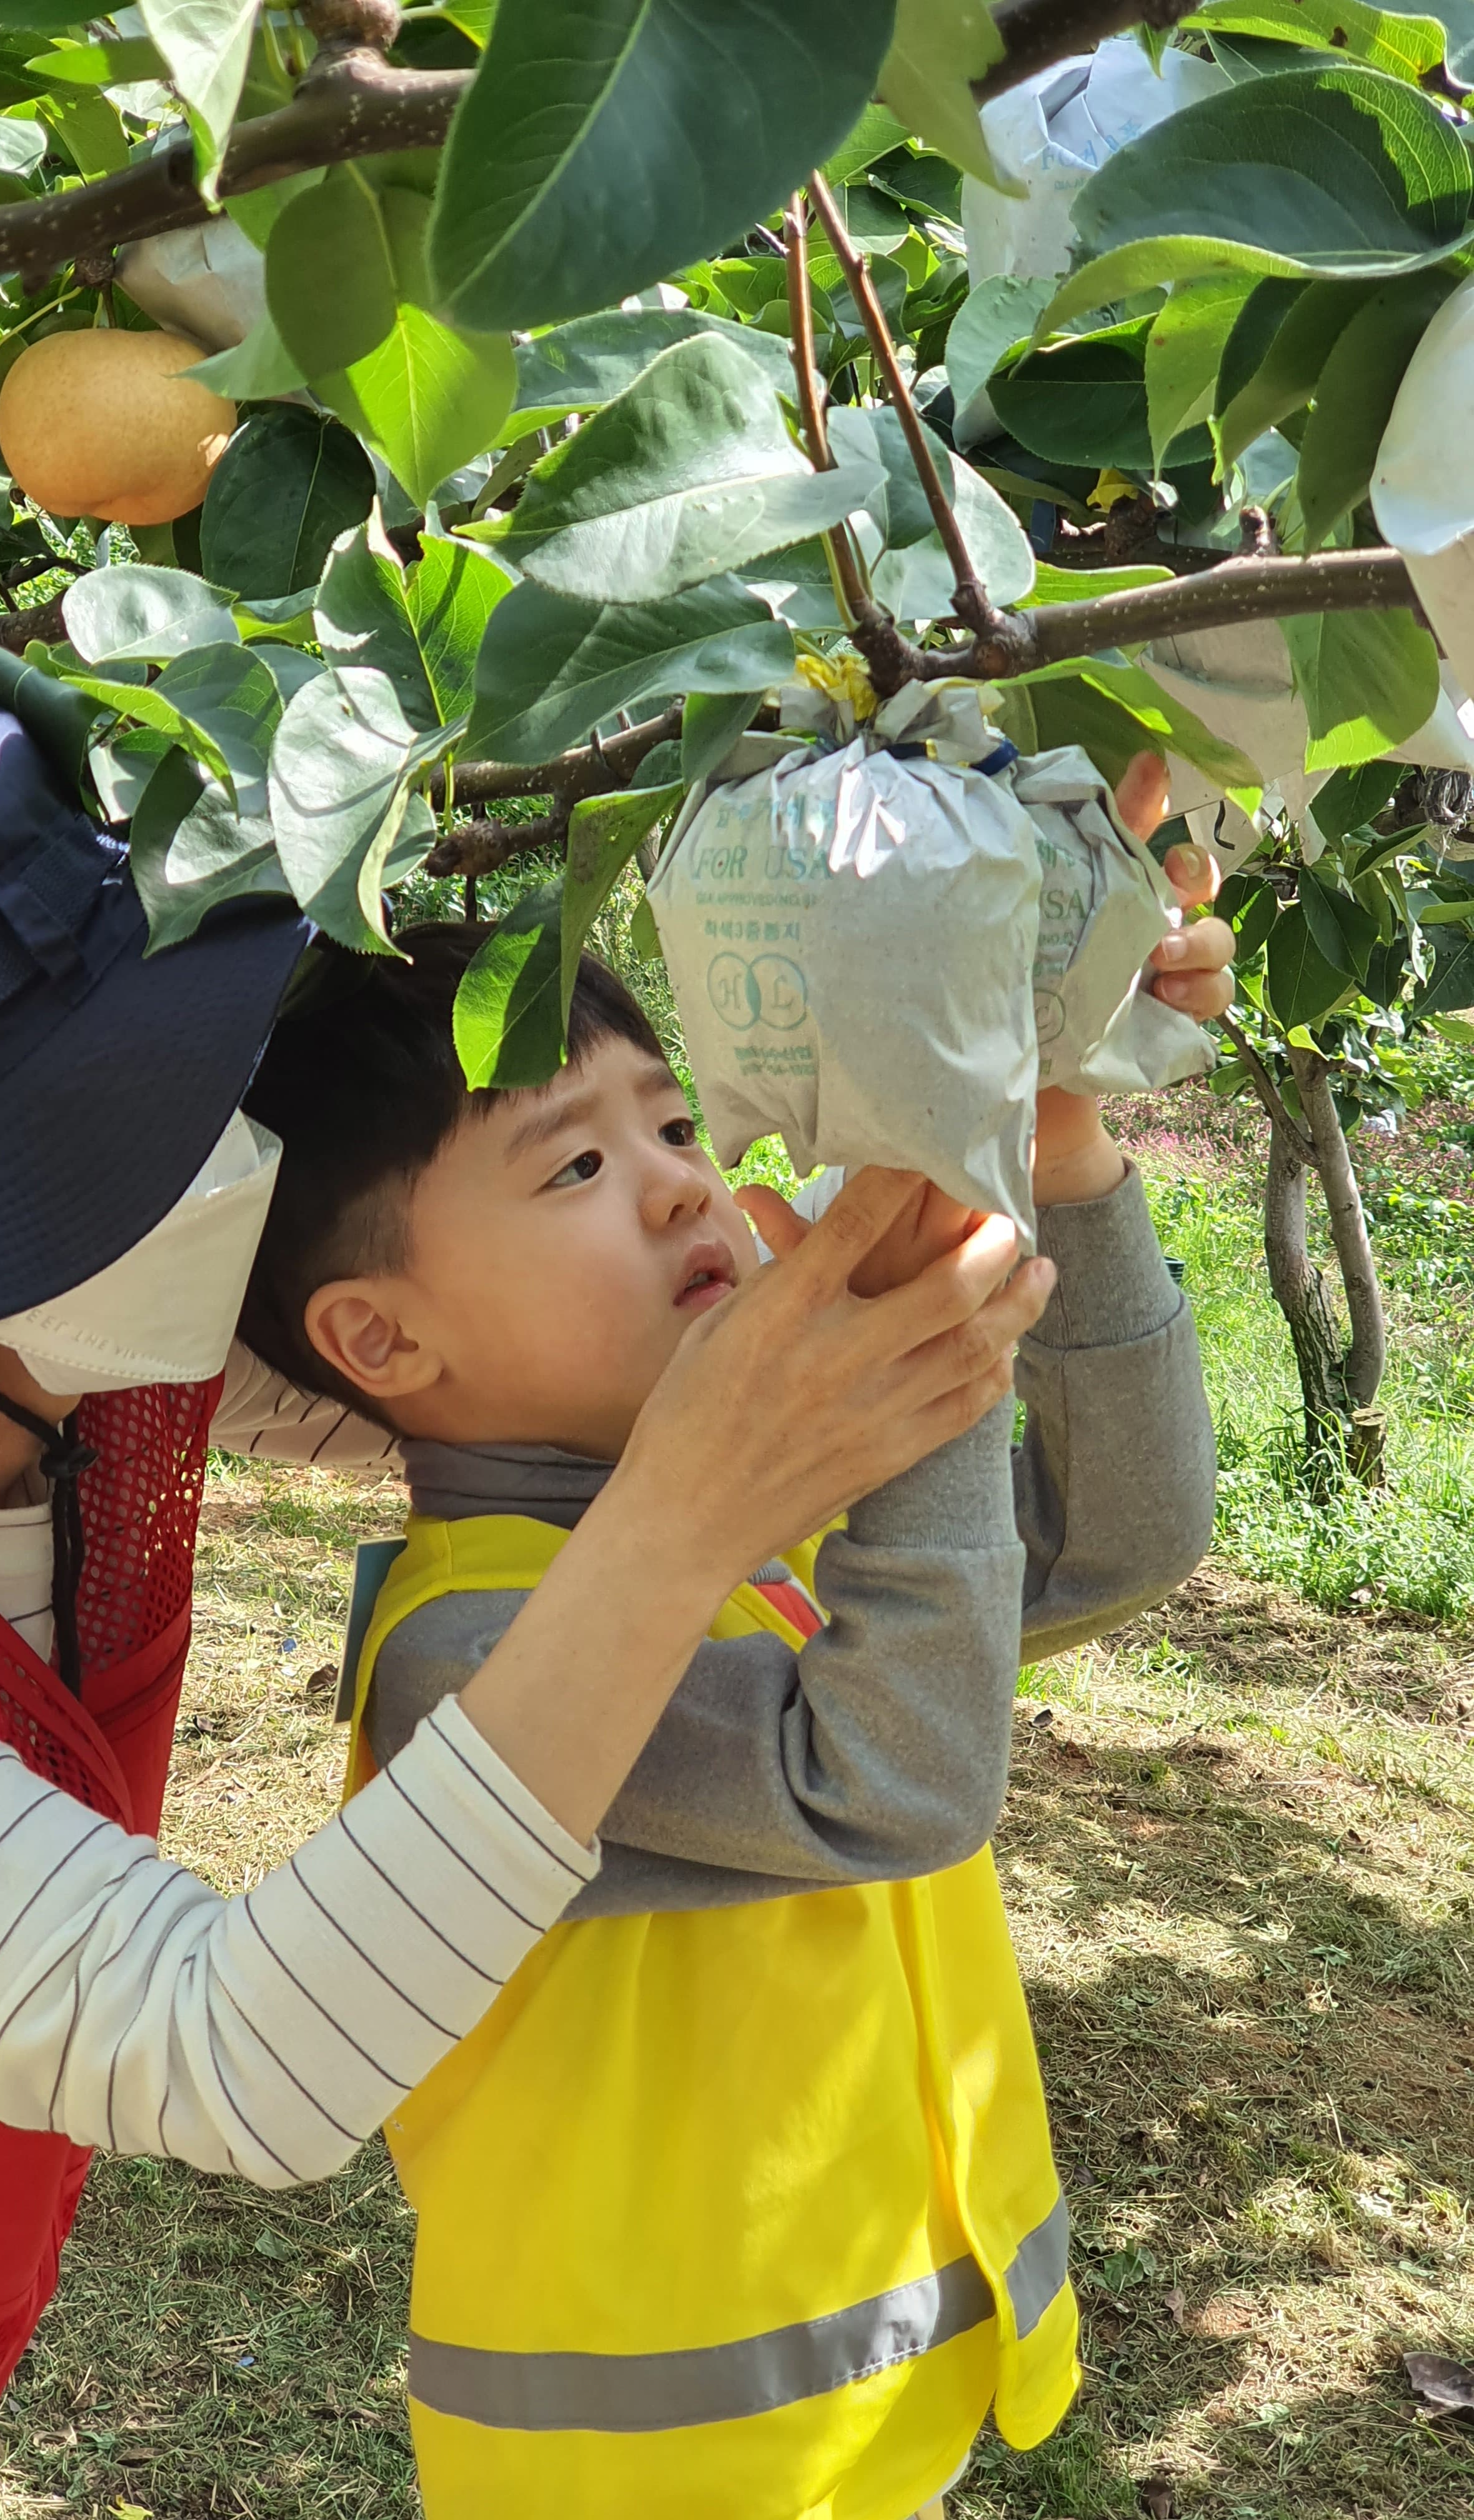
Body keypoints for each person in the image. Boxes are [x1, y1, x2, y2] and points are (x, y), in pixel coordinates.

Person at [0, 695, 1048, 2520]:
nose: (221, 1155)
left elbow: (469, 1305)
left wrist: (945, 979)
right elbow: (230, 2053)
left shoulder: (46, 1371)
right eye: (119, 1122)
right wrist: (695, 1503)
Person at [235, 782, 1234, 2520]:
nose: (686, 1187)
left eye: (677, 1122)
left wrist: (1055, 1158)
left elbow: (1110, 1540)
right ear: (381, 1333)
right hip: (657, 2471)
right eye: (578, 1162)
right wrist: (907, 1341)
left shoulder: (745, 1533)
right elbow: (886, 1782)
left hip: (865, 2422)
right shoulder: (474, 1655)